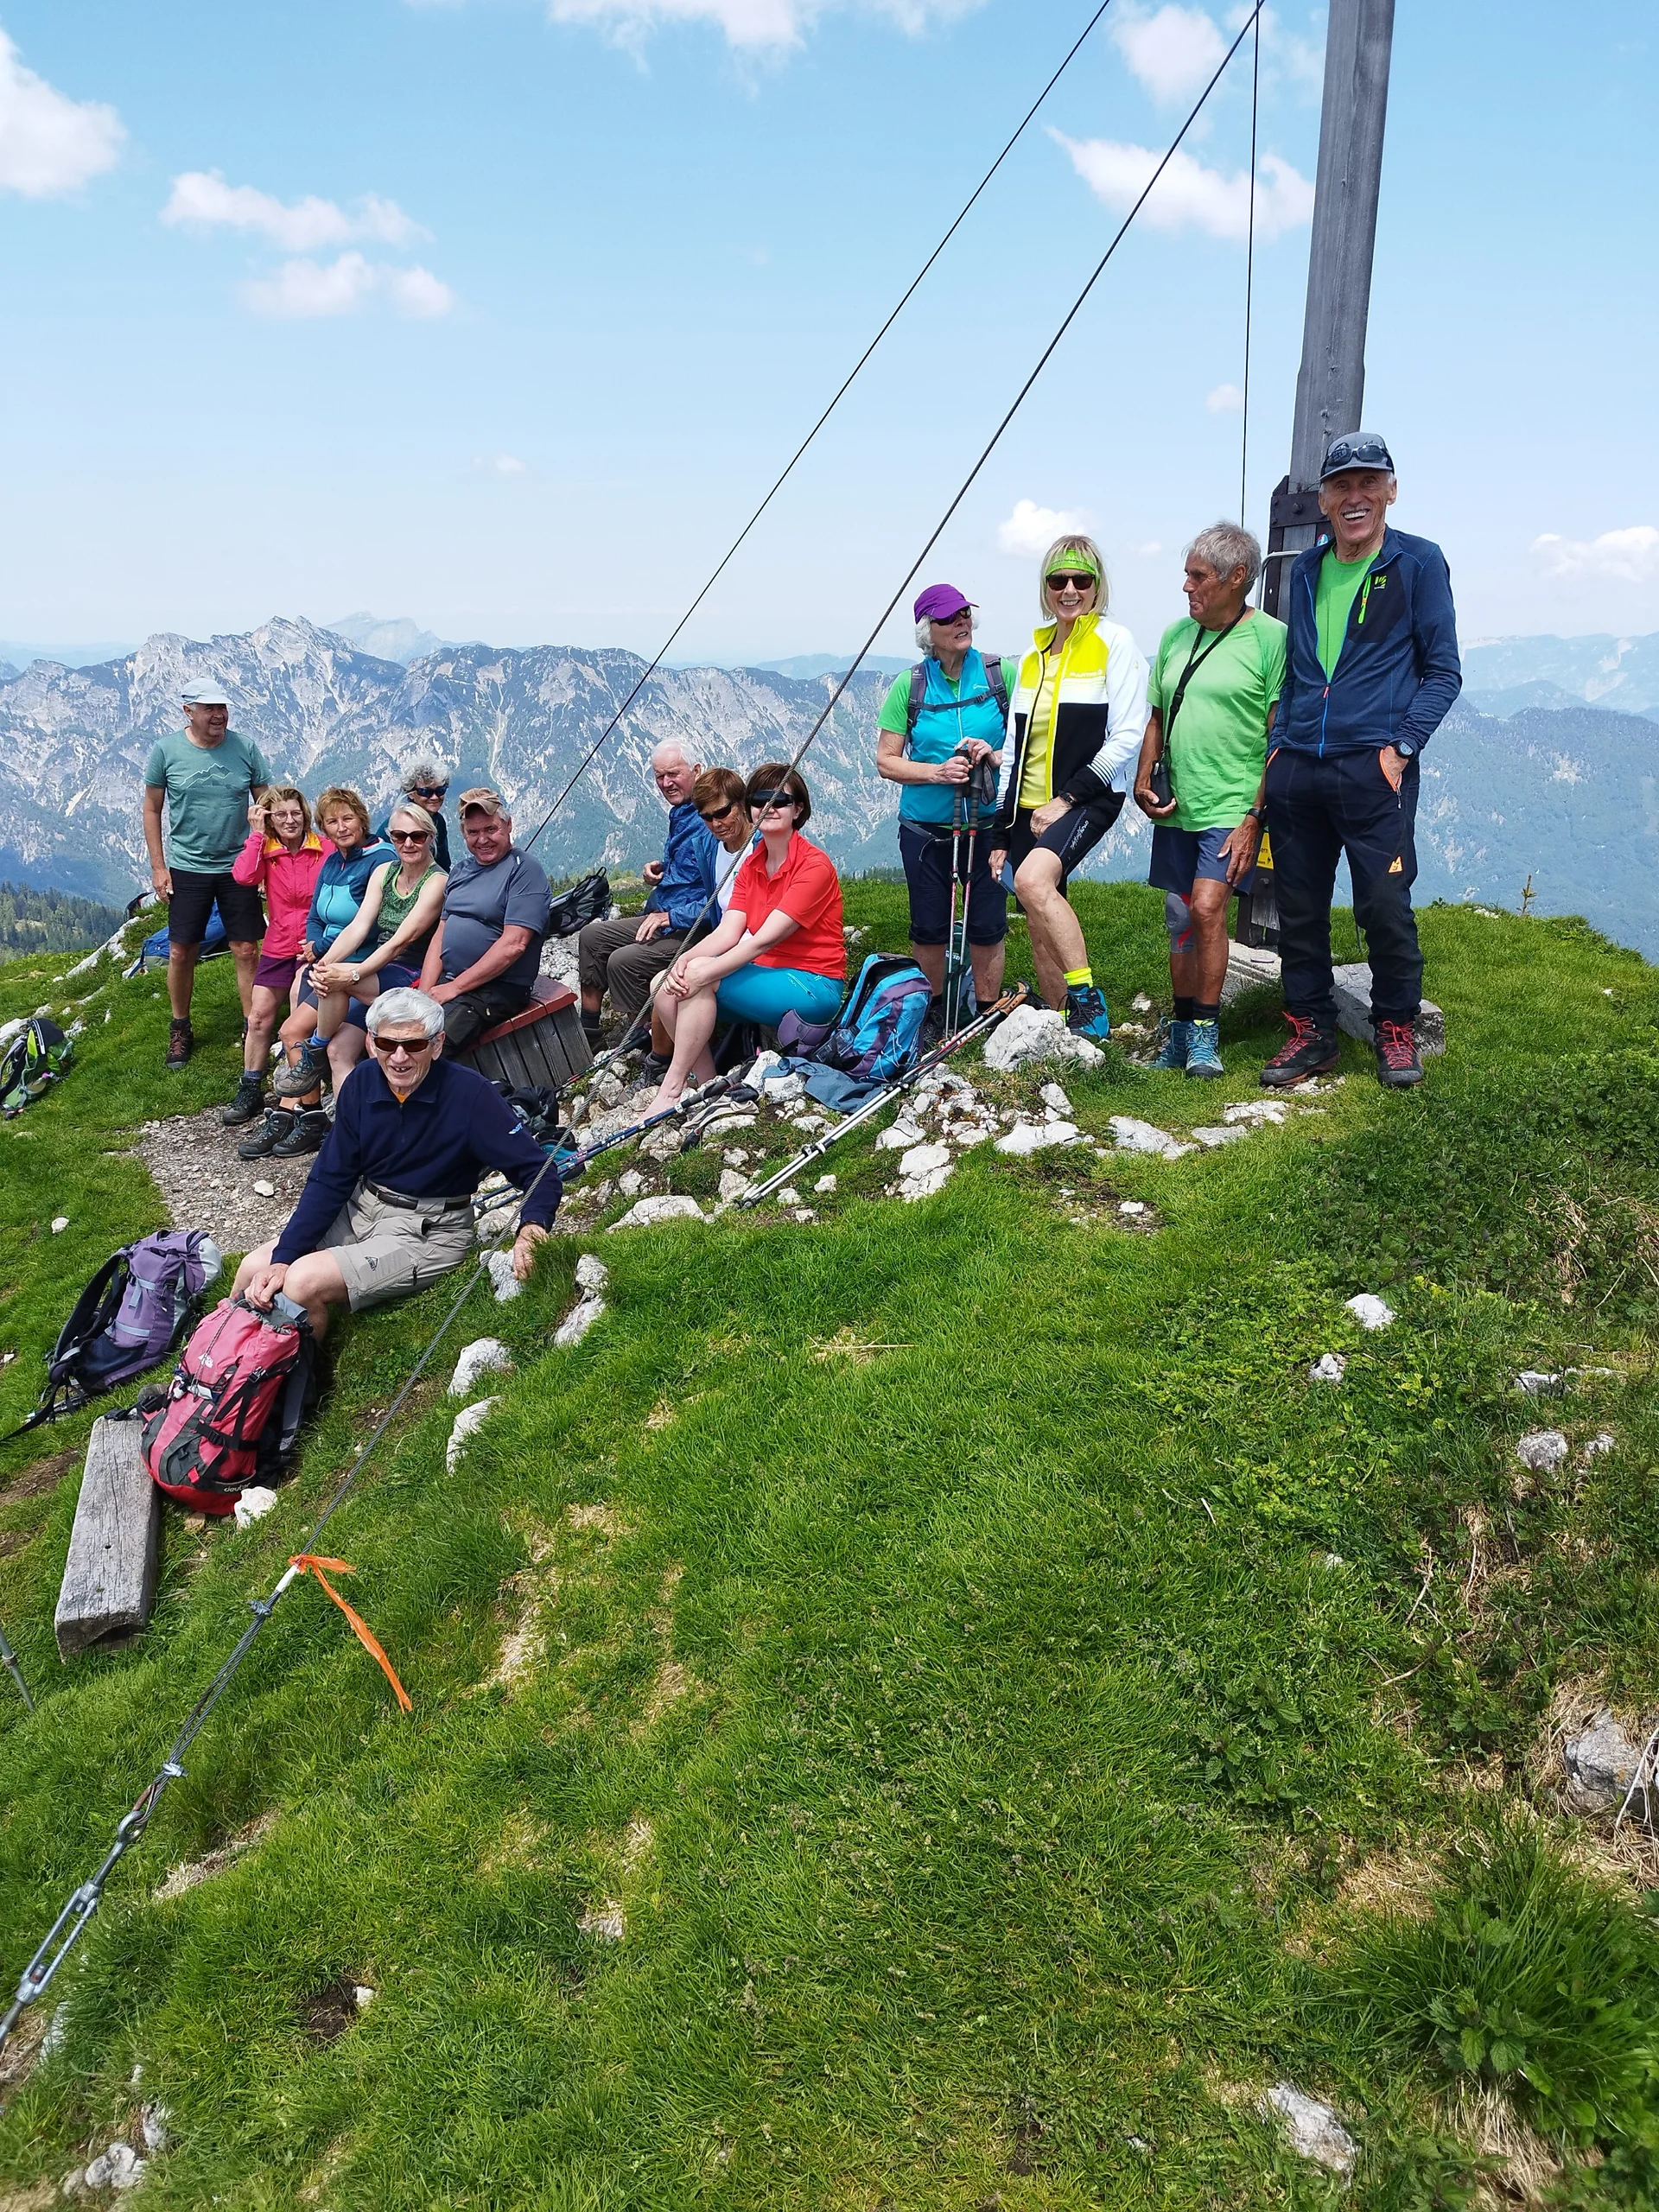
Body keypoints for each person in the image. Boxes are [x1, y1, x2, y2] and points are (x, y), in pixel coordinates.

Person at [1261, 431, 1462, 1090]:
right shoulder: (1309, 567)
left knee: (1383, 902)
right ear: (1323, 499)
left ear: (1391, 490)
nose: (1355, 497)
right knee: (1299, 907)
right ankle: (1311, 1031)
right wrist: (1280, 748)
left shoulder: (1419, 563)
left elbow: (1443, 673)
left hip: (1374, 770)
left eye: (1369, 483)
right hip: (1300, 766)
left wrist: (1401, 749)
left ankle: (1396, 1029)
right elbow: (1299, 668)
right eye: (1341, 486)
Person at [232, 988, 559, 1338]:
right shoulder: (361, 1081)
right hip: (361, 1206)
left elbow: (538, 1170)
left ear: (436, 1044)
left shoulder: (471, 1095)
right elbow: (330, 1177)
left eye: (414, 1045)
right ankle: (208, 1378)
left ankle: (293, 1388)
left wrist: (532, 1227)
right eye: (388, 1044)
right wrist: (285, 1255)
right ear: (371, 1043)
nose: (399, 1057)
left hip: (430, 1227)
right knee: (254, 1268)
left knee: (301, 1281)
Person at [1134, 524, 1286, 1080]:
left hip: (1232, 802)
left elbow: (1278, 735)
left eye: (1197, 576)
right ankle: (1179, 1035)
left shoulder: (1271, 641)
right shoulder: (1177, 635)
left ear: (1236, 578)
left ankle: (1205, 1036)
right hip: (1179, 802)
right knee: (1180, 918)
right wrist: (1144, 775)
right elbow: (1157, 714)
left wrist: (1254, 818)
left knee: (1205, 908)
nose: (1186, 587)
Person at [988, 535, 1148, 1040]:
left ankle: (1085, 1000)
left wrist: (1069, 798)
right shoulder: (1033, 655)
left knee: (1035, 882)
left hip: (1086, 796)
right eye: (1059, 580)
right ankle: (1064, 1028)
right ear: (1045, 587)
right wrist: (998, 831)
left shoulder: (1113, 642)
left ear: (1097, 586)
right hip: (1026, 803)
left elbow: (1128, 733)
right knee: (1037, 910)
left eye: (1082, 580)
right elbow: (1014, 749)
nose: (1070, 590)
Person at [648, 763, 844, 1109]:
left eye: (780, 800)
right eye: (759, 799)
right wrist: (683, 962)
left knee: (699, 981)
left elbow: (762, 940)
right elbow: (728, 931)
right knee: (662, 985)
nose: (768, 807)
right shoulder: (752, 862)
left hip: (813, 982)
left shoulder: (814, 866)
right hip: (766, 972)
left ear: (798, 809)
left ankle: (672, 1088)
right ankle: (707, 1087)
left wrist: (704, 970)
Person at [876, 584, 1014, 1038]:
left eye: (964, 614)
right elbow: (886, 761)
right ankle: (933, 1013)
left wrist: (991, 753)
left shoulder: (1000, 675)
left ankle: (987, 1012)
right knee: (929, 924)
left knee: (988, 919)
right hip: (925, 827)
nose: (961, 622)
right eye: (948, 617)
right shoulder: (910, 685)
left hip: (987, 823)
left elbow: (1025, 744)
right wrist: (937, 773)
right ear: (927, 632)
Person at [239, 789, 391, 1160]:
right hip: (318, 957)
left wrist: (320, 951)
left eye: (347, 819)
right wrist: (315, 942)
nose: (341, 828)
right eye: (332, 822)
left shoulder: (377, 858)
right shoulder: (332, 861)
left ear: (361, 819)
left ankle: (305, 1110)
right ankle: (307, 1114)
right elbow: (313, 913)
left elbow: (364, 923)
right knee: (283, 1026)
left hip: (359, 964)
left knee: (300, 1029)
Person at [272, 800, 448, 1097]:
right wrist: (325, 964)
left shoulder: (437, 881)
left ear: (431, 837)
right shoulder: (385, 872)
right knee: (339, 1050)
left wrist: (350, 975)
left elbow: (399, 942)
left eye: (417, 836)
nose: (408, 843)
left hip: (413, 973)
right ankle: (348, 1130)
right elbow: (359, 927)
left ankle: (314, 1048)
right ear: (391, 838)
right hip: (381, 969)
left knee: (335, 980)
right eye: (399, 836)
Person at [142, 678, 271, 1071]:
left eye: (223, 708)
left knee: (247, 949)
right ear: (188, 711)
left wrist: (267, 861)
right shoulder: (166, 750)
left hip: (239, 866)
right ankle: (180, 1027)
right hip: (187, 866)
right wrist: (159, 867)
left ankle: (254, 1026)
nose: (218, 715)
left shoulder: (245, 748)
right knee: (182, 950)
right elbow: (152, 809)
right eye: (209, 708)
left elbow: (266, 804)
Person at [576, 741, 717, 1047]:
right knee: (591, 937)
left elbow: (717, 898)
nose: (666, 783)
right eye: (659, 776)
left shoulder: (711, 822)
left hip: (692, 927)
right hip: (665, 915)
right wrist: (661, 870)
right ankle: (588, 1031)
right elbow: (691, 872)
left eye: (673, 774)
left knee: (623, 960)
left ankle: (642, 1038)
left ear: (696, 771)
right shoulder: (683, 813)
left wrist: (669, 915)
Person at [221, 787, 331, 1127]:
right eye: (280, 814)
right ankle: (250, 1086)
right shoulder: (266, 850)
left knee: (298, 1014)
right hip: (277, 945)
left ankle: (302, 1094)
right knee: (257, 1018)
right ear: (269, 818)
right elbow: (243, 876)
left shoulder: (322, 848)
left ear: (305, 814)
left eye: (295, 813)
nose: (289, 820)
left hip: (313, 946)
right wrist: (256, 835)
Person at [418, 787, 552, 1052]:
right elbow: (441, 934)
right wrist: (423, 994)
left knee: (429, 1047)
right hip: (452, 981)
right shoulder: (460, 871)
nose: (482, 840)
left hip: (498, 988)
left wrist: (454, 988)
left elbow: (514, 945)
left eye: (490, 829)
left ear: (509, 824)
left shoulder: (525, 871)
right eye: (473, 832)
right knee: (398, 1030)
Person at [641, 767, 753, 1079]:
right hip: (727, 937)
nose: (716, 824)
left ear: (741, 805)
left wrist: (693, 959)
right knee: (662, 983)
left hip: (750, 946)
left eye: (722, 813)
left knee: (681, 982)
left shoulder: (757, 848)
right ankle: (705, 1079)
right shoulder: (710, 847)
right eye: (707, 817)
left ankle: (675, 1078)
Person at [373, 757, 452, 871]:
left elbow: (443, 864)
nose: (434, 797)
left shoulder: (438, 821)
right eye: (426, 792)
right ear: (410, 794)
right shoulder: (394, 825)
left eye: (440, 790)